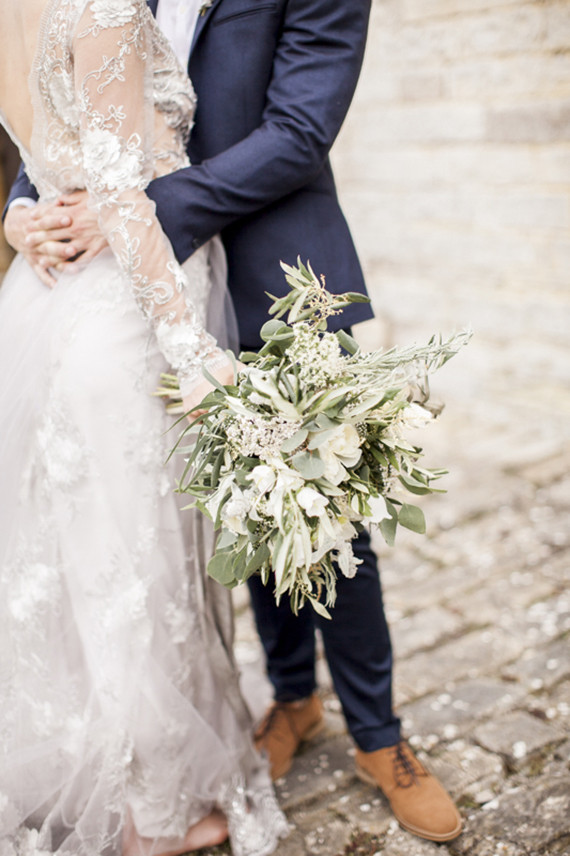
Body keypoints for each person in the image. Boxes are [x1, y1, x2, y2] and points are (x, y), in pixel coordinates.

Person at [4, 0, 462, 844]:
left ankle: (381, 736)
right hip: (149, 284)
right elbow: (72, 99)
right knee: (228, 513)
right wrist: (24, 202)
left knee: (329, 510)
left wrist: (140, 207)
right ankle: (292, 698)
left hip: (279, 269)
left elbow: (298, 132)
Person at [0, 2, 290, 855]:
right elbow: (125, 197)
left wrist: (18, 218)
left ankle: (106, 776)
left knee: (86, 550)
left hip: (48, 298)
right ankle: (155, 814)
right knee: (138, 556)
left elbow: (42, 152)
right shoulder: (101, 6)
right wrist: (189, 348)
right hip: (125, 307)